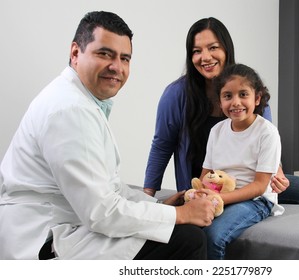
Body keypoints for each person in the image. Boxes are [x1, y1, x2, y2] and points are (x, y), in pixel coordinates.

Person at [0, 11, 216, 260]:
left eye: (125, 58)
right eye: (104, 54)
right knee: (187, 240)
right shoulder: (70, 109)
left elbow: (110, 188)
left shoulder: (81, 101)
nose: (117, 66)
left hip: (68, 224)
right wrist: (181, 215)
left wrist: (159, 206)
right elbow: (102, 212)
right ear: (75, 53)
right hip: (42, 240)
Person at [143, 17, 299, 206]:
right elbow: (162, 145)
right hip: (208, 185)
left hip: (250, 182)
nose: (205, 57)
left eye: (213, 48)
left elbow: (266, 141)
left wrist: (278, 172)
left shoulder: (251, 91)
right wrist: (147, 197)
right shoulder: (176, 94)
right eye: (197, 51)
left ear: (226, 49)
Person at [202, 63, 283, 259]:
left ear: (257, 98)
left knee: (213, 236)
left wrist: (219, 199)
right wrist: (201, 194)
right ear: (220, 102)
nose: (235, 102)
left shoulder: (267, 132)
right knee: (187, 231)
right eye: (228, 96)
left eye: (243, 94)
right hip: (221, 195)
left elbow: (259, 186)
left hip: (255, 200)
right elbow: (206, 174)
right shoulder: (217, 131)